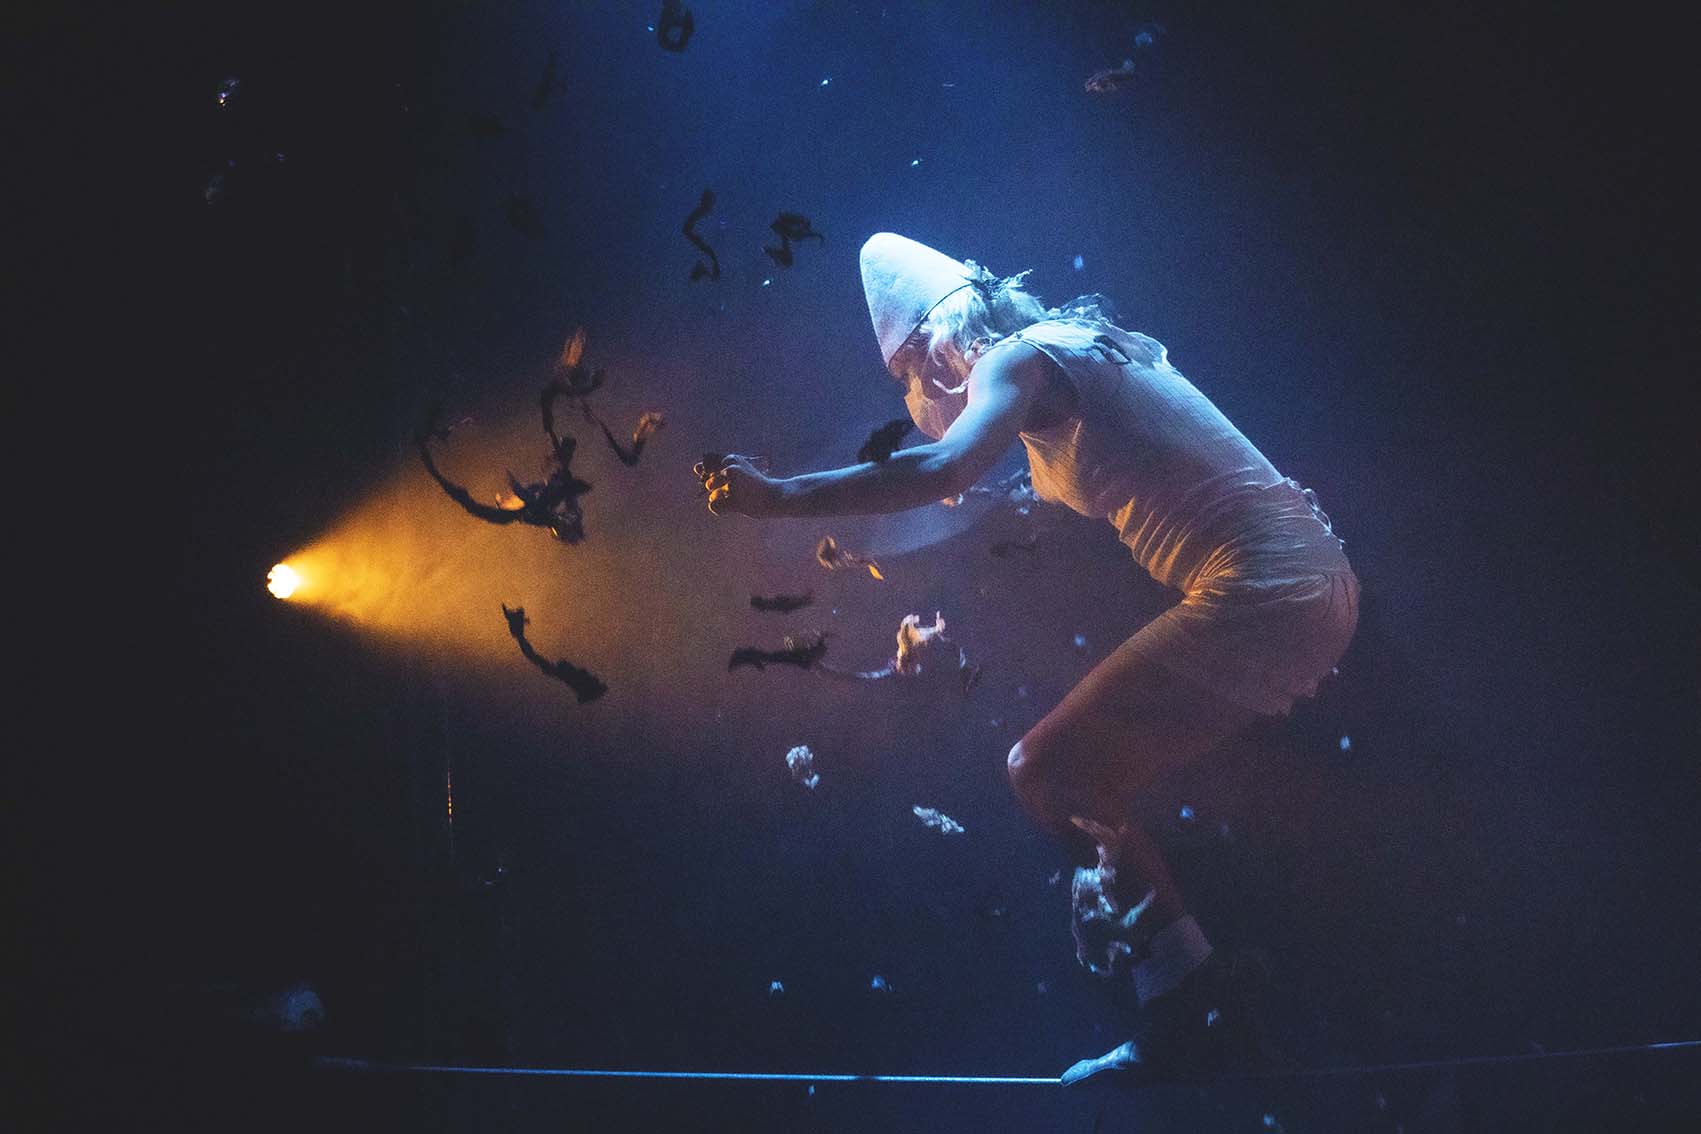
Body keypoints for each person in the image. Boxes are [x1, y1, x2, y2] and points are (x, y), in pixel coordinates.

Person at [701, 232, 1359, 1083]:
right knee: (1076, 773)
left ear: (937, 345)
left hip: (1268, 587)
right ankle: (1201, 1006)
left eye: (905, 374)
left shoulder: (1015, 360)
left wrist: (778, 498)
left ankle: (1195, 1007)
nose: (909, 394)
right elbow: (981, 498)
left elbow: (942, 469)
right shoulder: (1073, 351)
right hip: (1313, 582)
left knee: (1049, 771)